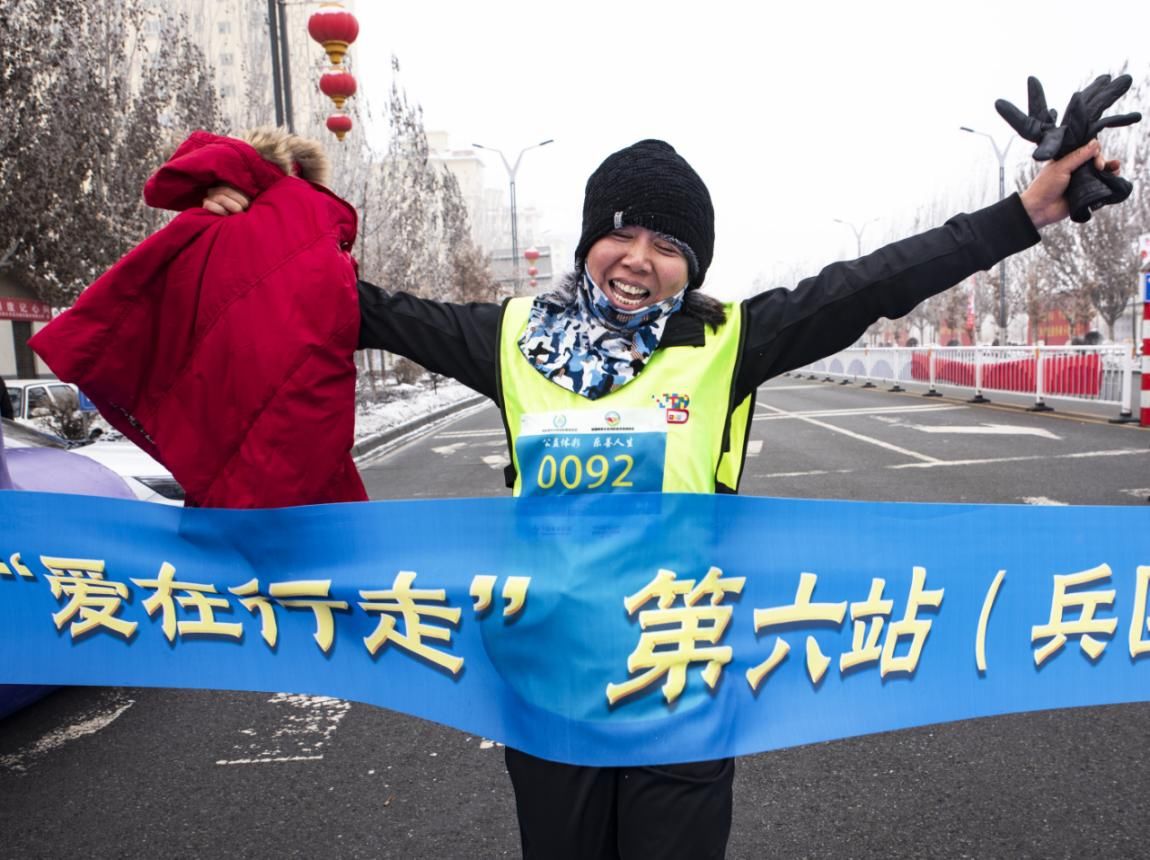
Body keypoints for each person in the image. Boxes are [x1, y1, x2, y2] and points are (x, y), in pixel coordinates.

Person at [200, 133, 1116, 859]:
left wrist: (1025, 210)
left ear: (695, 265)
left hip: (680, 689)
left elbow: (873, 281)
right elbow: (351, 302)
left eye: (668, 246)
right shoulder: (509, 337)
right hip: (549, 691)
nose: (638, 260)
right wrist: (252, 219)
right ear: (590, 238)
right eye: (622, 233)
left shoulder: (728, 343)